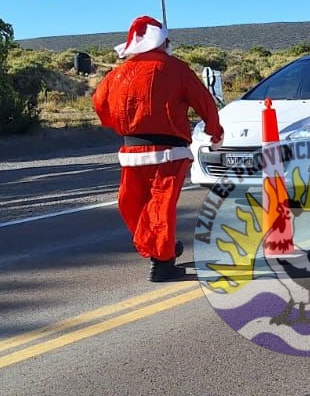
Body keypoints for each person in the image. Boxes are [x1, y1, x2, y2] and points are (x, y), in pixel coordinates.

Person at [93, 15, 224, 282]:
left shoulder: (116, 74)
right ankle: (162, 258)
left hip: (132, 152)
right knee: (160, 205)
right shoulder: (176, 69)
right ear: (163, 41)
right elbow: (204, 101)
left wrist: (121, 124)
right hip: (169, 151)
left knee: (135, 204)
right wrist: (214, 131)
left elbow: (100, 106)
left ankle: (160, 250)